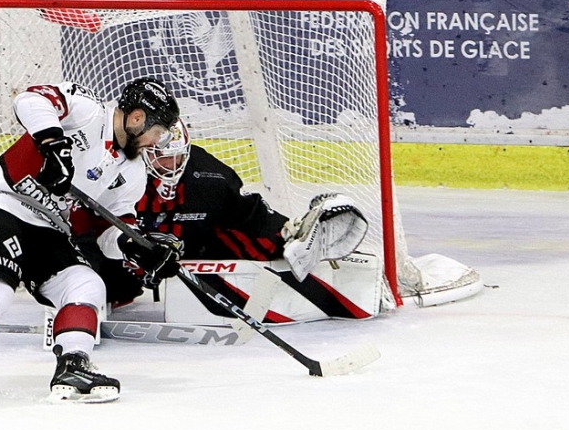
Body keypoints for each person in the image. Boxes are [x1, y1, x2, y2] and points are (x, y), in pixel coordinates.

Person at [0, 77, 184, 409]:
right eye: (160, 132)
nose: (158, 142)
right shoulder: (88, 111)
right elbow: (29, 99)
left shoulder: (133, 173)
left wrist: (136, 247)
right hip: (1, 201)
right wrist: (52, 143)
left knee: (86, 285)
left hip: (49, 225)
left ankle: (74, 365)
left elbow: (110, 231)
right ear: (138, 118)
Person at [72, 118, 369, 314]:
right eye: (163, 157)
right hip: (128, 255)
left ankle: (300, 238)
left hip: (192, 247)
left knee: (246, 233)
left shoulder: (209, 175)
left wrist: (283, 231)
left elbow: (249, 214)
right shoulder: (121, 173)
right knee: (105, 278)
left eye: (178, 156)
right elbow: (89, 223)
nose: (172, 165)